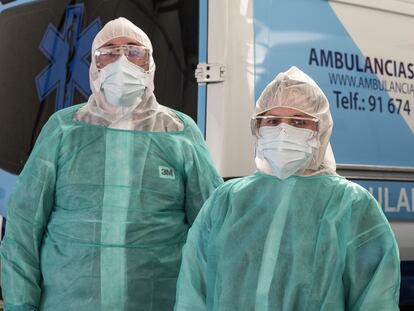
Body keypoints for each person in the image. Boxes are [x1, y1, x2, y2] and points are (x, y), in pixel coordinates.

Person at [1, 17, 223, 311]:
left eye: (134, 52)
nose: (122, 62)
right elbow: (23, 229)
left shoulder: (179, 132)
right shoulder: (64, 129)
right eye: (109, 52)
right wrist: (20, 304)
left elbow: (213, 229)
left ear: (149, 64)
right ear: (95, 66)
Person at [174, 66, 400, 311]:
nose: (283, 131)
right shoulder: (227, 201)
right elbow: (193, 290)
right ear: (257, 129)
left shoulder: (351, 205)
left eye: (298, 121)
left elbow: (375, 299)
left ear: (320, 131)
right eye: (272, 121)